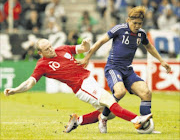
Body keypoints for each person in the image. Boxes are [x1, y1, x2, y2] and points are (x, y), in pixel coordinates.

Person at [4, 38, 152, 133]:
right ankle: (137, 120)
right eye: (47, 49)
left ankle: (78, 120)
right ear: (40, 52)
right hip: (81, 86)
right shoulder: (42, 65)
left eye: (50, 46)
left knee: (109, 113)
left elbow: (82, 48)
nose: (51, 49)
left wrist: (85, 43)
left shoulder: (62, 49)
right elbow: (30, 82)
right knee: (109, 99)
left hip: (88, 80)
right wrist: (15, 90)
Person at [76, 6, 171, 133]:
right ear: (128, 20)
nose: (137, 26)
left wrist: (162, 61)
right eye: (134, 23)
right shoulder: (119, 29)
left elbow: (149, 47)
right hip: (113, 67)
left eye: (139, 23)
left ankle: (144, 125)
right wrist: (87, 57)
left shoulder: (141, 34)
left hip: (127, 70)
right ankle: (103, 117)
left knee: (146, 93)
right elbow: (100, 42)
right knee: (120, 92)